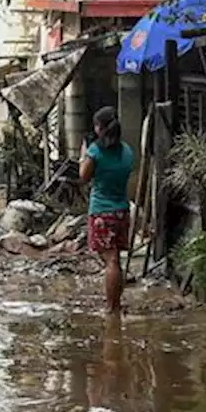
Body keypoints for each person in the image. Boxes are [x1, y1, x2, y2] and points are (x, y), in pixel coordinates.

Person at [79, 107, 135, 314]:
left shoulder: (95, 152)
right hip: (122, 210)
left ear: (100, 128)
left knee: (111, 261)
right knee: (115, 259)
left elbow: (83, 177)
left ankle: (112, 308)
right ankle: (116, 304)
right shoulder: (127, 151)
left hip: (102, 211)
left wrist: (83, 153)